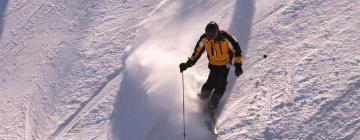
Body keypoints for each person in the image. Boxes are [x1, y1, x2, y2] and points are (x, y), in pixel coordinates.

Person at [179, 21, 243, 113]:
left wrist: (238, 66)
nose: (209, 38)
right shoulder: (205, 39)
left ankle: (214, 102)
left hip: (225, 64)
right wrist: (187, 64)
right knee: (210, 82)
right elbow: (196, 53)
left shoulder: (226, 38)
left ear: (217, 32)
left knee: (221, 83)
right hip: (213, 64)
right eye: (208, 35)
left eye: (211, 36)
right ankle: (203, 97)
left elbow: (237, 51)